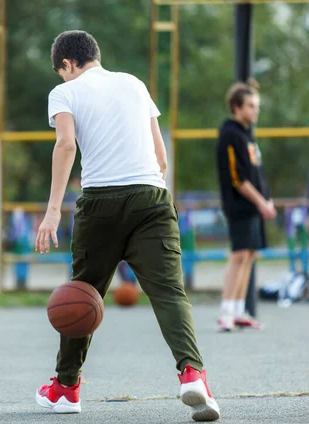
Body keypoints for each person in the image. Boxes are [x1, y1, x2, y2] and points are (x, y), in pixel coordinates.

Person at [34, 30, 220, 421]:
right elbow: (160, 156)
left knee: (81, 294)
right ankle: (193, 374)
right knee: (170, 293)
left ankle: (66, 388)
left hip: (101, 203)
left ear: (67, 64)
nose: (62, 78)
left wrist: (52, 211)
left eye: (61, 72)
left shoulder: (64, 92)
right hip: (152, 196)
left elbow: (66, 145)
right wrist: (152, 199)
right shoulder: (135, 84)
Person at [216, 80, 276, 332]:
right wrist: (261, 202)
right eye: (250, 105)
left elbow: (257, 173)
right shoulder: (230, 134)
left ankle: (239, 311)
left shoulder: (248, 134)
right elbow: (237, 178)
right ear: (236, 107)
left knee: (249, 255)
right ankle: (226, 313)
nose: (255, 110)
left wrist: (267, 198)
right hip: (240, 206)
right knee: (239, 255)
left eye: (257, 106)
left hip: (254, 206)